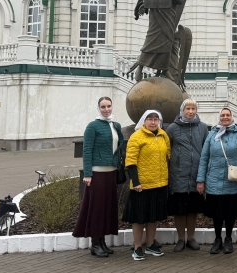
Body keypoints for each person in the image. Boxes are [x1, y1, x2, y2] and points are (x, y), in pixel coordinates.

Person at [73, 97, 124, 257]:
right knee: (97, 208)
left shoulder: (116, 125)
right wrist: (88, 173)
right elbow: (87, 150)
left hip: (111, 172)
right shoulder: (92, 126)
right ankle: (95, 244)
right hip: (97, 173)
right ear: (98, 108)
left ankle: (102, 242)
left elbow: (118, 147)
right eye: (103, 107)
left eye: (109, 106)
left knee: (107, 207)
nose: (106, 109)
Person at [197, 107, 237, 254]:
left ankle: (228, 239)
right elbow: (204, 158)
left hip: (232, 180)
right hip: (213, 180)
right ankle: (217, 240)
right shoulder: (212, 134)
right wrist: (200, 180)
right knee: (217, 214)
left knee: (230, 213)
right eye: (223, 115)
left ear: (232, 117)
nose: (225, 117)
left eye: (228, 115)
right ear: (219, 117)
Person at [123, 110, 170, 261]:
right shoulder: (136, 137)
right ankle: (138, 247)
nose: (153, 122)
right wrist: (135, 181)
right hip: (142, 185)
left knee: (153, 217)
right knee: (139, 217)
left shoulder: (163, 135)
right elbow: (131, 161)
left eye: (156, 119)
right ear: (144, 121)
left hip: (159, 183)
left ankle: (150, 245)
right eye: (150, 119)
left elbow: (167, 157)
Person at [166, 99, 208, 252]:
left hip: (196, 174)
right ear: (182, 110)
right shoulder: (173, 128)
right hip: (178, 175)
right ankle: (180, 239)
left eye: (193, 108)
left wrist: (203, 175)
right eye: (187, 109)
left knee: (192, 209)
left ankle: (191, 238)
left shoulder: (202, 127)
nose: (190, 111)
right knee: (179, 209)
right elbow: (167, 149)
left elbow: (206, 150)